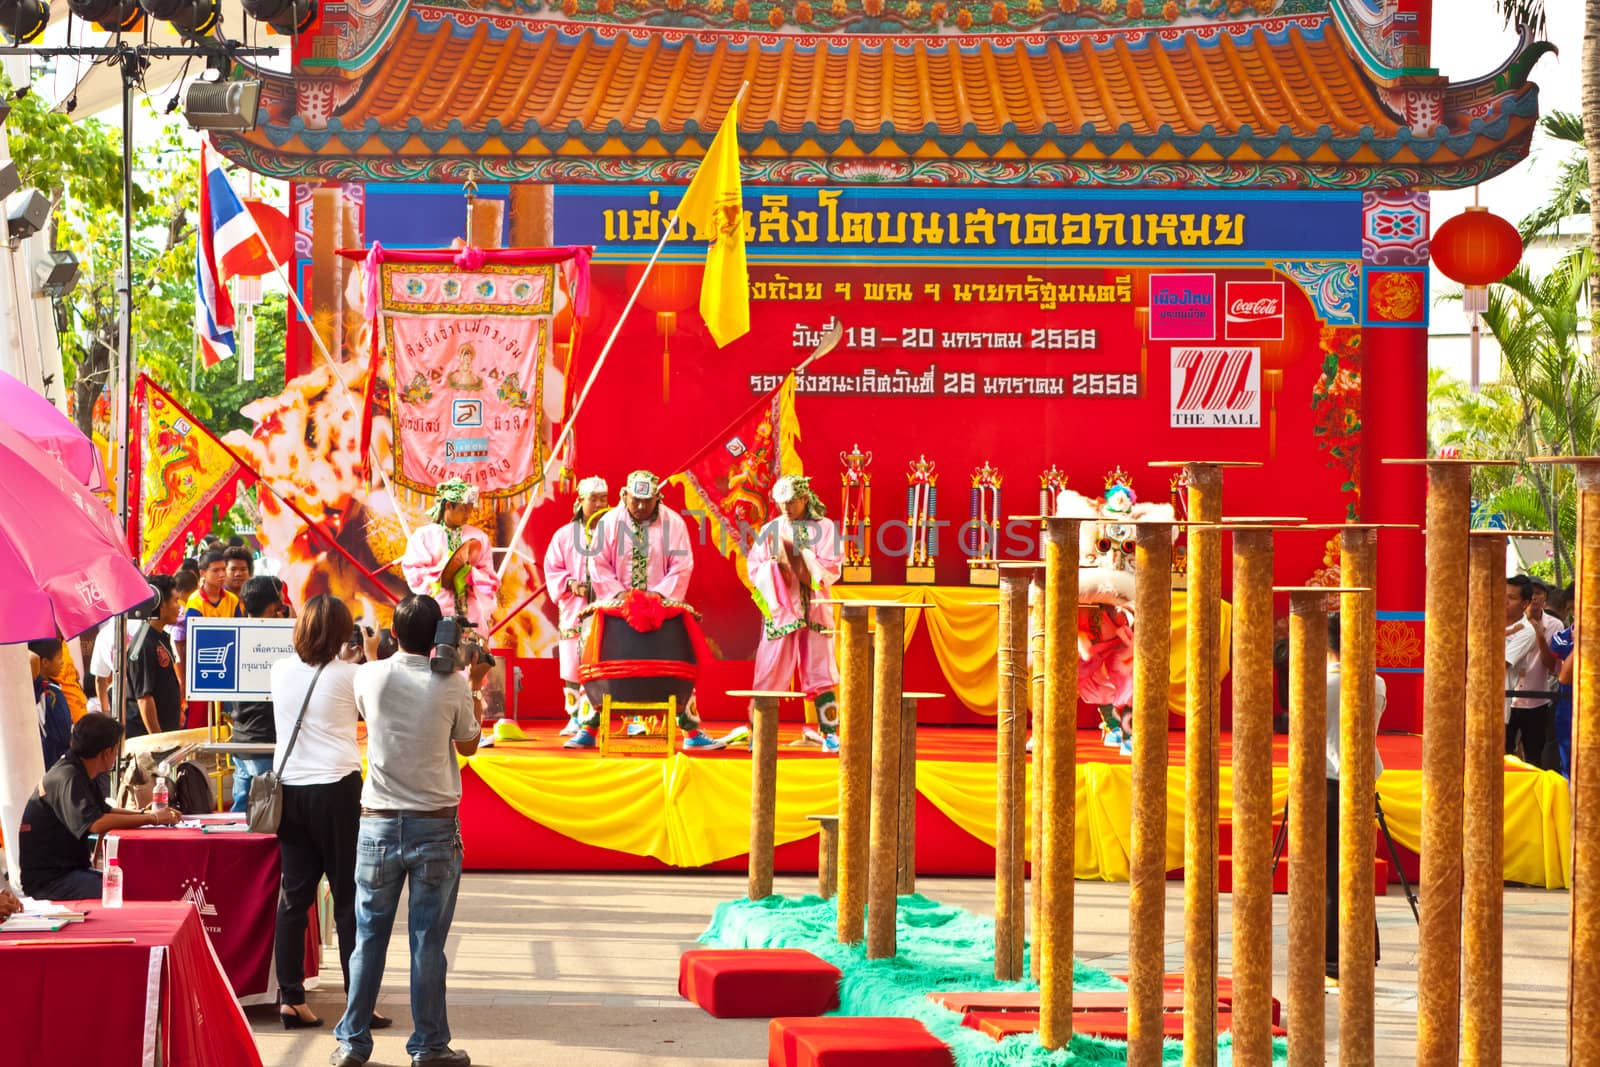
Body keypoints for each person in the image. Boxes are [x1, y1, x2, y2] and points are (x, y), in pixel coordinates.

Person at [331, 595, 489, 1067]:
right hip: (435, 825)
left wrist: (373, 650)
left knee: (368, 937)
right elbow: (469, 747)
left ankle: (352, 1043)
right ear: (440, 637)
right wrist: (474, 686)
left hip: (378, 823)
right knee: (427, 943)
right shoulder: (453, 685)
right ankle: (428, 1046)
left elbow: (371, 691)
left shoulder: (368, 675)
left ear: (394, 634)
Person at [270, 595, 390, 1032]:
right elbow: (377, 712)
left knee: (293, 898)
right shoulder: (353, 675)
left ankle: (291, 996)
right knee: (348, 898)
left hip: (290, 793)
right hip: (337, 790)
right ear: (344, 633)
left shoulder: (280, 670)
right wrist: (371, 656)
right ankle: (359, 1003)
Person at [568, 470, 702, 749]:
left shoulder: (673, 523)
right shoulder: (609, 522)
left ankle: (691, 732)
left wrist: (658, 594)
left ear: (657, 498)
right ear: (624, 496)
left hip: (661, 607)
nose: (641, 507)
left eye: (647, 501)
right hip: (616, 605)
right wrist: (620, 594)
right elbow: (598, 564)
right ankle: (589, 729)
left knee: (674, 666)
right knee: (599, 666)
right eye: (636, 500)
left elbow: (682, 565)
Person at [18, 713, 181, 900]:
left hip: (70, 872)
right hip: (51, 882)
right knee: (125, 891)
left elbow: (105, 810)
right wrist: (153, 819)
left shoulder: (78, 769)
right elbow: (95, 823)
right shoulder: (68, 777)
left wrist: (144, 813)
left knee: (136, 881)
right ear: (107, 753)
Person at [745, 475, 843, 752]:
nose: (786, 508)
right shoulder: (772, 528)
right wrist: (775, 569)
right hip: (780, 610)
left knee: (821, 670)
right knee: (769, 671)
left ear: (804, 498)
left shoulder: (824, 528)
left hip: (814, 607)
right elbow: (755, 567)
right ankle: (760, 733)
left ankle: (830, 733)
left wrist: (803, 562)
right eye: (781, 503)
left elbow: (833, 566)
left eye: (791, 502)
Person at [1323, 612, 1387, 982]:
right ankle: (1362, 949)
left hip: (1326, 781)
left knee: (1329, 872)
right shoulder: (1375, 682)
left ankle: (1333, 957)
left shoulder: (1318, 683)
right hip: (1360, 782)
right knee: (1354, 869)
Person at [541, 476, 609, 737]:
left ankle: (595, 716)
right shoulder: (564, 535)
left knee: (602, 661)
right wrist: (570, 585)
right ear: (580, 502)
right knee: (572, 663)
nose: (600, 503)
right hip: (575, 608)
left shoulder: (615, 531)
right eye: (594, 499)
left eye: (604, 498)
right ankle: (574, 717)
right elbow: (552, 568)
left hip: (604, 607)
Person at [399, 478, 500, 629]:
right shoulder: (424, 535)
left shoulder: (479, 537)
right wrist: (441, 574)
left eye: (470, 508)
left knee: (471, 647)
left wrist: (470, 575)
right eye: (462, 509)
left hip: (471, 611)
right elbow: (413, 571)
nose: (468, 514)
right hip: (435, 609)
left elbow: (490, 577)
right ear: (448, 506)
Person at [229, 577, 290, 812]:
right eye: (280, 604)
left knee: (242, 809)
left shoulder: (236, 634)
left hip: (241, 738)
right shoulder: (281, 639)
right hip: (265, 741)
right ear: (273, 607)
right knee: (265, 813)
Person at [1505, 575, 1560, 768]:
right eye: (1533, 593)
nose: (1536, 598)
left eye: (1539, 593)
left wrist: (1539, 637)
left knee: (1534, 755)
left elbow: (1552, 666)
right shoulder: (1506, 622)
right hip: (1510, 700)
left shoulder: (1553, 625)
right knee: (1505, 752)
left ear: (1544, 597)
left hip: (1535, 700)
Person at [126, 574, 185, 738]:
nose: (179, 607)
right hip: (150, 743)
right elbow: (144, 698)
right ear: (158, 603)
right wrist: (158, 742)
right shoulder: (143, 645)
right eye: (175, 601)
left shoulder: (161, 637)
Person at [29, 639, 74, 768]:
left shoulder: (53, 686)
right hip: (52, 757)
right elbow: (32, 658)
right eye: (59, 658)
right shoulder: (39, 688)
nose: (62, 662)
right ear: (45, 662)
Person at [186, 548, 243, 621]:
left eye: (223, 569)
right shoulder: (195, 602)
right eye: (215, 570)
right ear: (202, 573)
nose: (222, 574)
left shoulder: (233, 600)